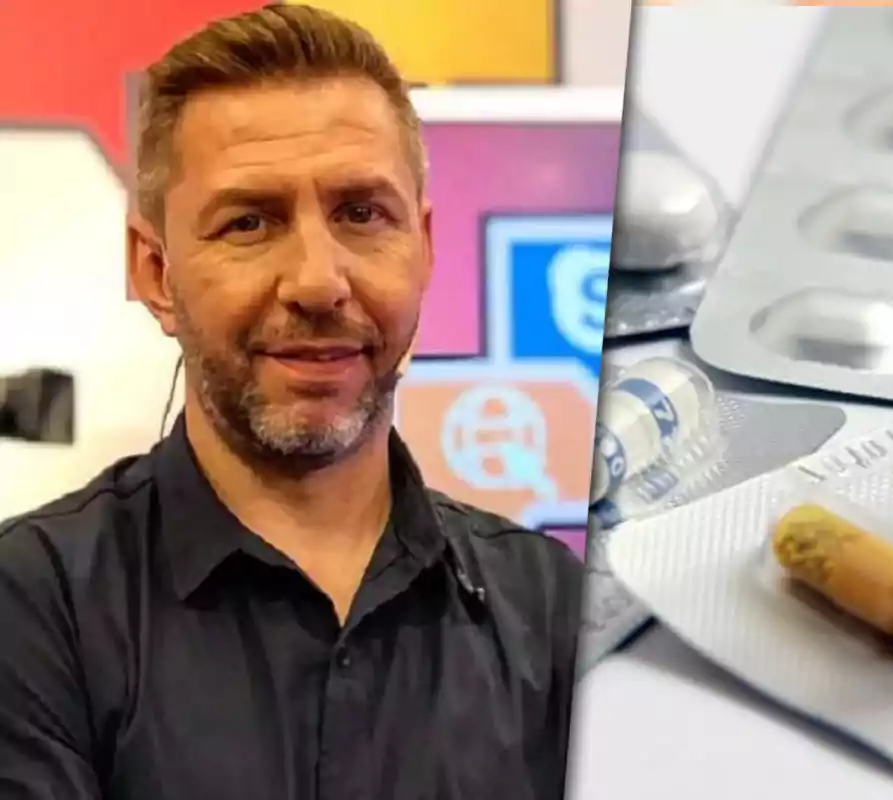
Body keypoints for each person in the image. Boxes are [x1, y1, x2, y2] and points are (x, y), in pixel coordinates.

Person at [0, 6, 586, 799]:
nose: (317, 280)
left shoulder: (554, 609)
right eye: (249, 221)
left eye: (361, 214)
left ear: (424, 248)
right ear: (152, 269)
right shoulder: (32, 608)